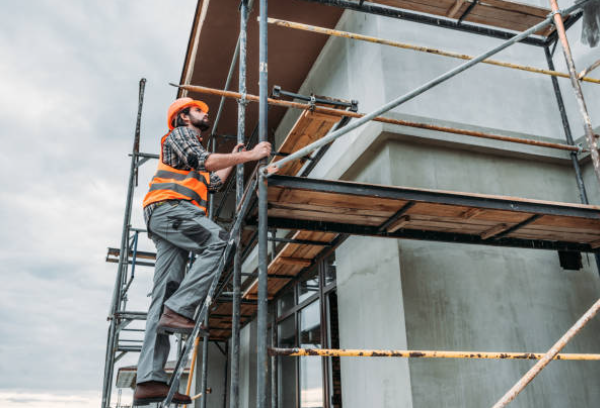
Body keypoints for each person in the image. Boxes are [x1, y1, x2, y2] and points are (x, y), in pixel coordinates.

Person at [133, 97, 271, 405]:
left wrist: (237, 160)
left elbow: (211, 183)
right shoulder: (181, 136)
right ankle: (180, 309)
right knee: (221, 242)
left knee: (163, 293)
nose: (205, 113)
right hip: (172, 210)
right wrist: (251, 154)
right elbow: (206, 161)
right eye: (198, 110)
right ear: (183, 117)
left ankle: (149, 379)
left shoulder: (186, 154)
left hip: (169, 216)